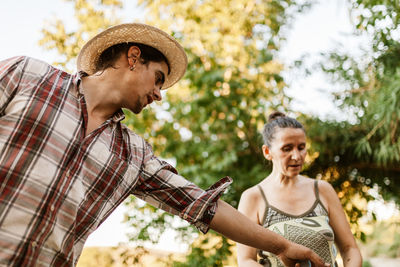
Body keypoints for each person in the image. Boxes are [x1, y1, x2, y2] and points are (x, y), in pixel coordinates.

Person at [0, 23, 329, 267]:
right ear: (133, 57)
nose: (159, 94)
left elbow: (204, 206)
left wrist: (282, 246)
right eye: (158, 78)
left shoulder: (133, 154)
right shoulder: (29, 77)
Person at [237, 112, 362, 267]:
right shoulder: (253, 197)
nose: (297, 156)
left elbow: (350, 249)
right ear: (267, 152)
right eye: (287, 148)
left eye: (301, 147)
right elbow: (245, 261)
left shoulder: (322, 190)